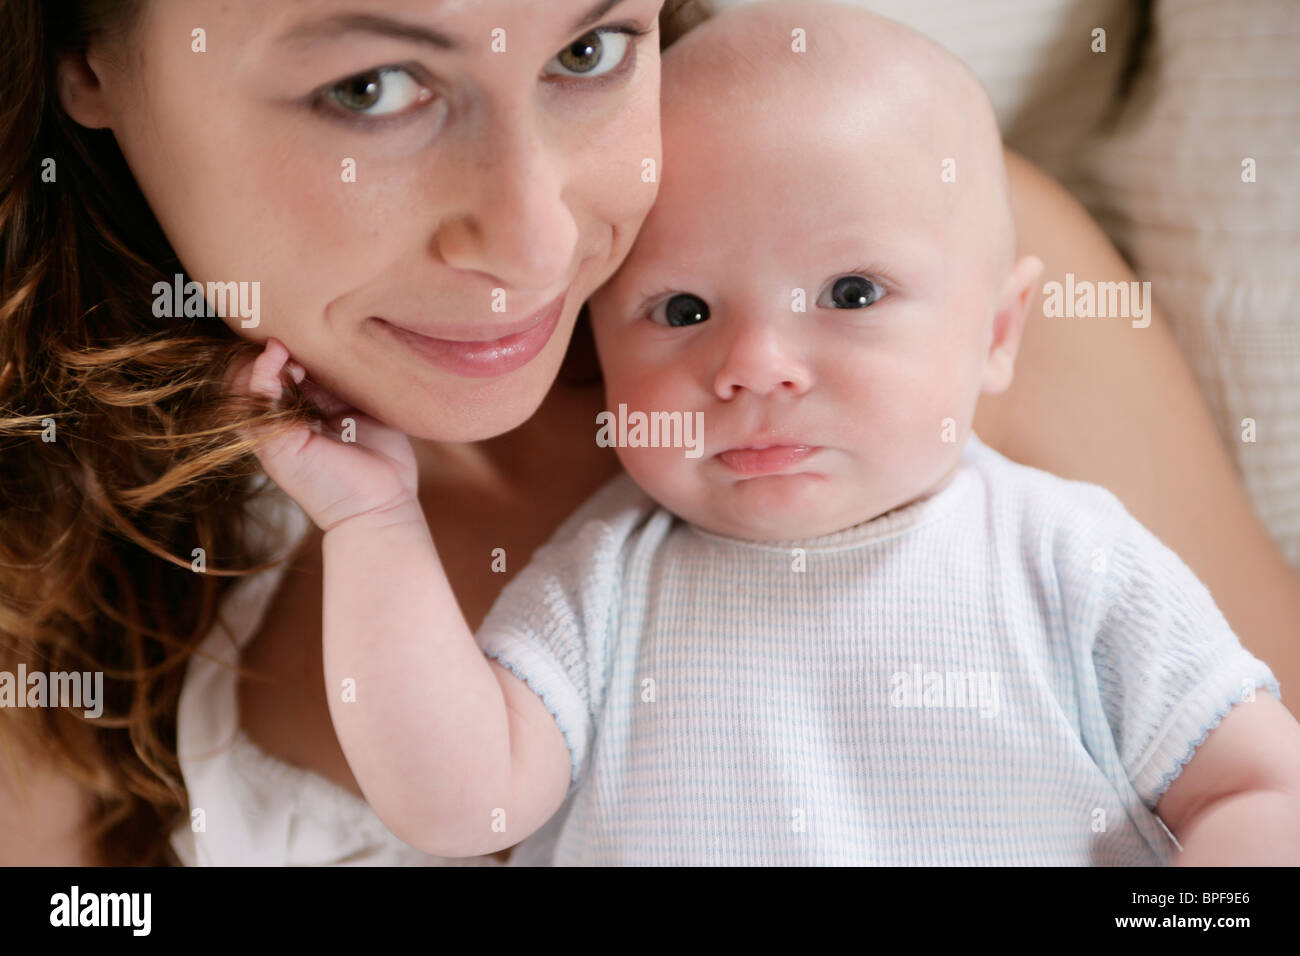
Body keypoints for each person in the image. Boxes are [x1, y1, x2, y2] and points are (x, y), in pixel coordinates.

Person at [1, 0, 1296, 866]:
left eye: (586, 53)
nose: (538, 240)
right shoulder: (45, 574)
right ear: (83, 53)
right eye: (374, 86)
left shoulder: (912, 230)